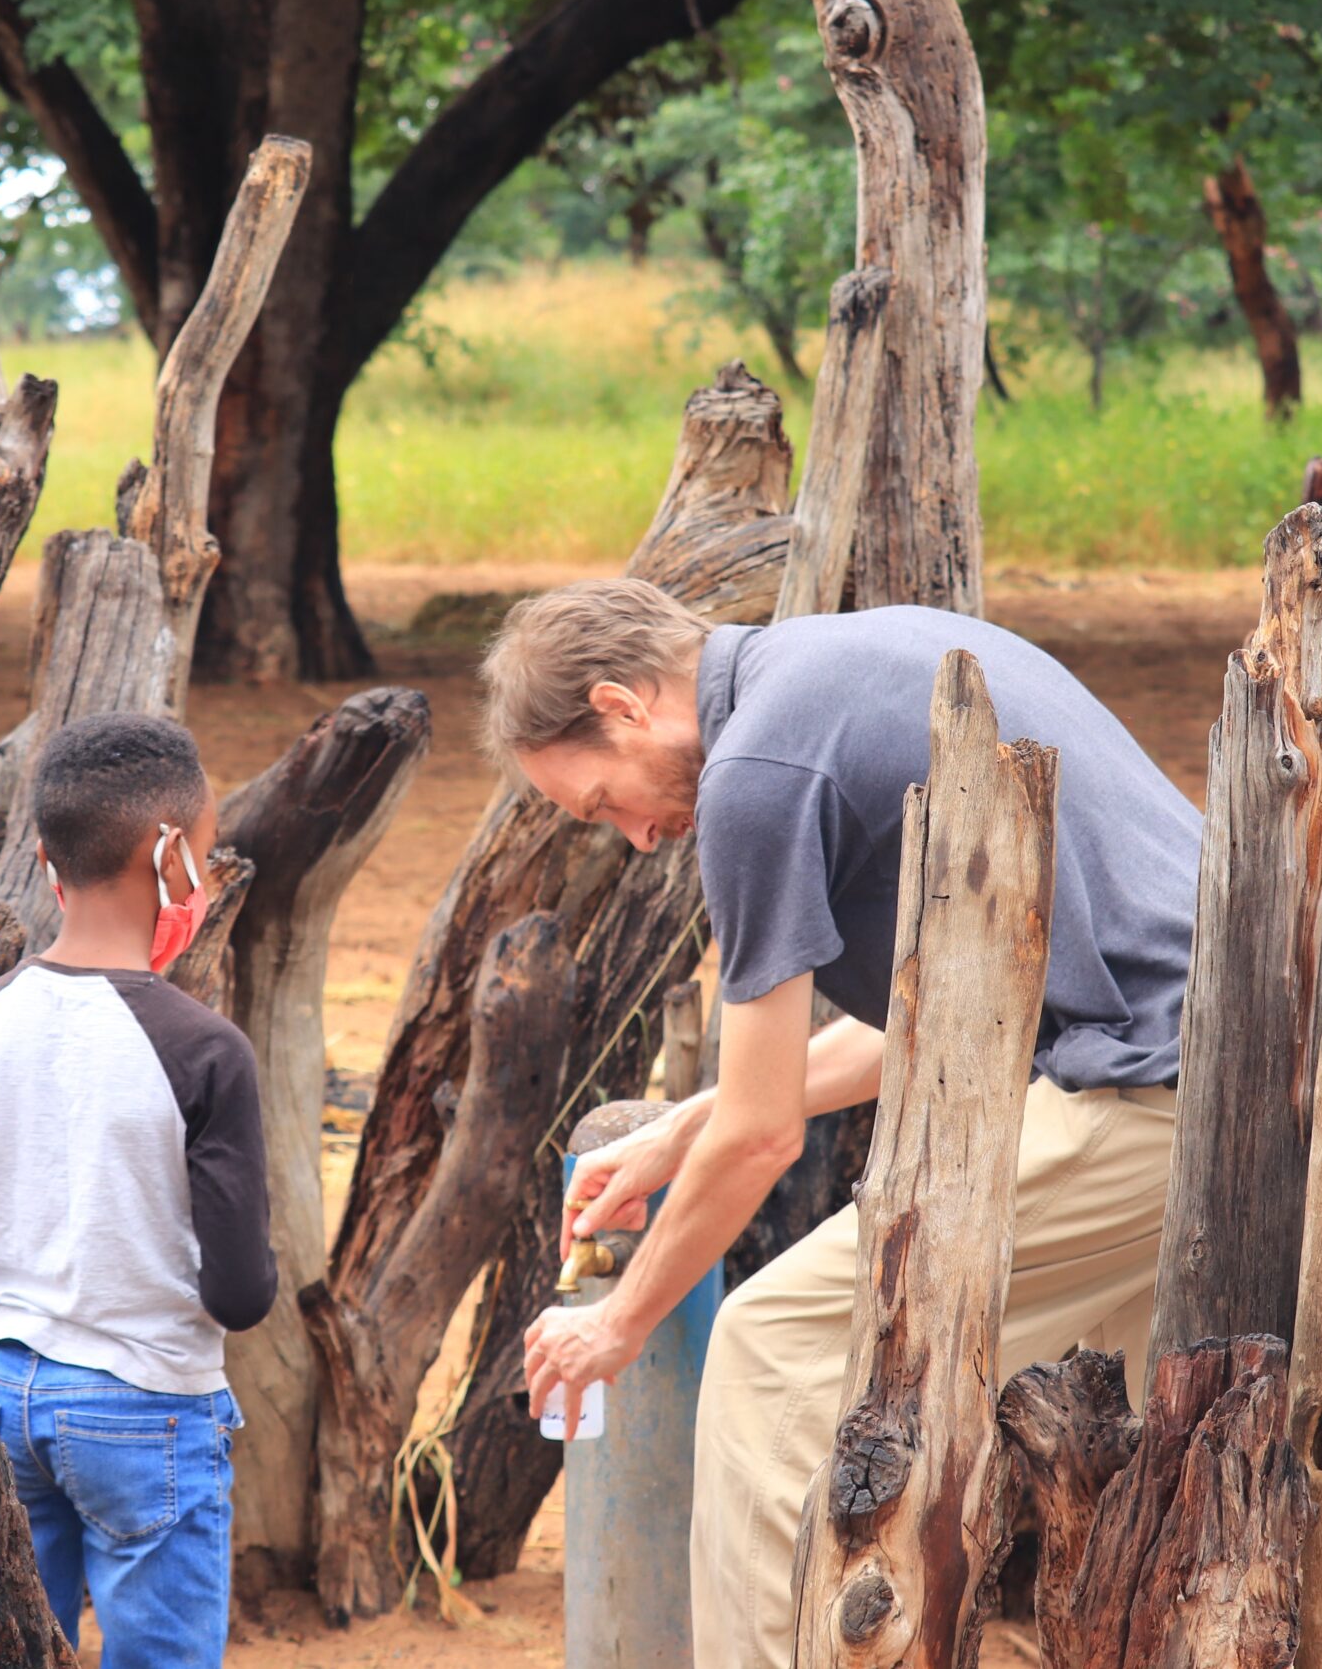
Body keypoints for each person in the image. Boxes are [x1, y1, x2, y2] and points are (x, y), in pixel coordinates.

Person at [494, 578, 1201, 1668]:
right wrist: (687, 1124)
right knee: (1108, 1462)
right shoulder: (847, 666)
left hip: (1147, 1095)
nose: (636, 839)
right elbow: (953, 1013)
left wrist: (617, 1324)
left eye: (600, 802)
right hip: (1227, 1069)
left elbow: (764, 1135)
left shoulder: (755, 775)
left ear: (623, 705)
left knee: (772, 1348)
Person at [0, 713, 275, 1668]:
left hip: (9, 1389)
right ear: (171, 858)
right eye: (202, 855)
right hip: (148, 1405)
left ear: (44, 859)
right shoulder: (205, 1050)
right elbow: (241, 1292)